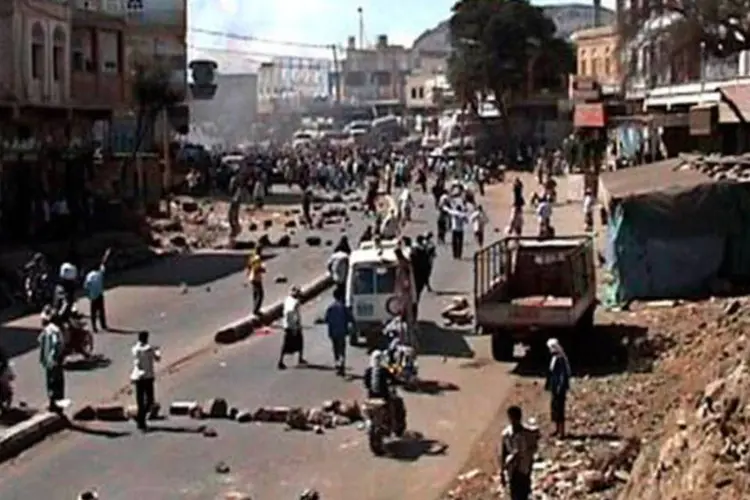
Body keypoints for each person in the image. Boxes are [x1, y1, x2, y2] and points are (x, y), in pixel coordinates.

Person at [499, 405, 540, 500]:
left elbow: (534, 447)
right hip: (512, 470)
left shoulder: (527, 433)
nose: (513, 421)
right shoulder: (506, 434)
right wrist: (502, 471)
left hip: (524, 469)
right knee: (514, 494)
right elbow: (504, 452)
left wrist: (528, 457)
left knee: (523, 494)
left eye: (515, 419)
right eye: (511, 418)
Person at [130, 331, 161, 431]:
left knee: (140, 400)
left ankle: (140, 420)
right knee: (150, 400)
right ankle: (141, 417)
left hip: (138, 378)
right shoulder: (149, 349)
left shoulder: (135, 349)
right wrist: (157, 350)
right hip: (147, 377)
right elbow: (157, 358)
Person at [38, 313, 65, 412]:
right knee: (56, 383)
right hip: (53, 362)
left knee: (52, 383)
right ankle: (57, 405)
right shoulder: (54, 330)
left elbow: (53, 344)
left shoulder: (50, 330)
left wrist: (50, 358)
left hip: (51, 362)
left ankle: (54, 404)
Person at [324, 288, 353, 376]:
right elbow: (350, 318)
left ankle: (337, 365)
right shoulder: (343, 307)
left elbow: (326, 319)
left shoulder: (330, 308)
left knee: (336, 350)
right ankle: (341, 366)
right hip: (342, 332)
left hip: (333, 332)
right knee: (342, 351)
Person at [545, 338, 571, 438]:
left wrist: (560, 387)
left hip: (559, 389)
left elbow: (562, 375)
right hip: (554, 388)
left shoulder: (560, 359)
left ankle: (561, 432)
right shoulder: (554, 358)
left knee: (560, 410)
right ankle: (556, 429)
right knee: (555, 409)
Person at [83, 248, 111, 332]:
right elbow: (103, 263)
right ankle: (103, 325)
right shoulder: (100, 274)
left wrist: (88, 295)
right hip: (99, 295)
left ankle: (94, 327)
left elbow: (86, 286)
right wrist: (107, 254)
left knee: (93, 312)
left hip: (92, 296)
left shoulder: (89, 276)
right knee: (101, 311)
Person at [278, 286, 306, 369]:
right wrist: (296, 327)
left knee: (288, 344)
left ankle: (282, 360)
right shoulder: (295, 303)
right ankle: (282, 361)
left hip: (287, 325)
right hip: (293, 326)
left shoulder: (287, 299)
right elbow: (293, 315)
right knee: (297, 342)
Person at [247, 249, 266, 315]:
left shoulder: (252, 257)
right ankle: (256, 310)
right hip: (256, 278)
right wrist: (262, 269)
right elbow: (257, 269)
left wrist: (248, 274)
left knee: (255, 293)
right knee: (260, 294)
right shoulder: (258, 259)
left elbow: (249, 266)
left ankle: (255, 308)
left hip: (251, 277)